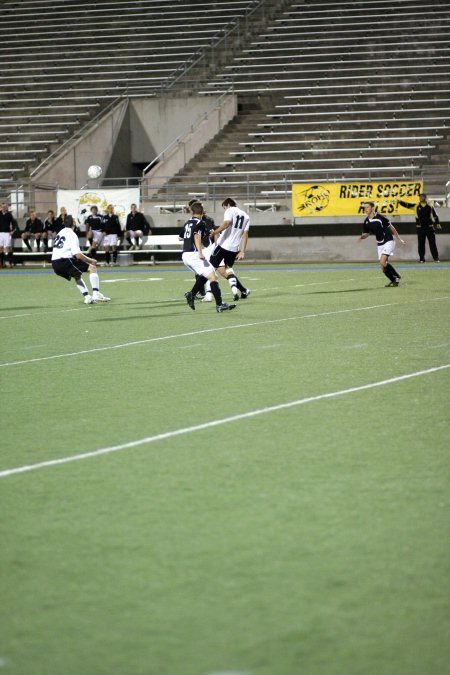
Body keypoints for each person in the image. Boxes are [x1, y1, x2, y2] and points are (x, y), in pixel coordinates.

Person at [180, 201, 236, 313]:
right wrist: (200, 252)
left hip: (185, 255)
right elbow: (196, 236)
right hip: (194, 255)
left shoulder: (187, 223)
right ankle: (219, 305)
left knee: (207, 275)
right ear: (202, 212)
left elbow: (180, 237)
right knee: (213, 277)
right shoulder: (201, 223)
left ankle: (191, 294)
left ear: (192, 211)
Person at [51, 219, 110, 304]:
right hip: (64, 260)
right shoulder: (71, 234)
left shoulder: (60, 232)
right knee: (92, 268)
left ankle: (87, 298)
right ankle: (96, 293)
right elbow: (77, 254)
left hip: (55, 263)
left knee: (77, 275)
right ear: (73, 223)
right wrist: (91, 260)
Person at [209, 198, 251, 300]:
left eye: (224, 207)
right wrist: (242, 251)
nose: (225, 210)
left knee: (209, 267)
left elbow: (226, 223)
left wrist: (215, 232)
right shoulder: (246, 216)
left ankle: (204, 294)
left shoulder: (230, 210)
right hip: (234, 248)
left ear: (228, 204)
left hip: (223, 245)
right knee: (227, 270)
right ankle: (242, 290)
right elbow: (245, 234)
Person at [359, 201, 406, 286]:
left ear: (372, 208)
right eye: (364, 207)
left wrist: (399, 239)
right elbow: (366, 233)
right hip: (380, 244)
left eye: (367, 207)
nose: (365, 209)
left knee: (382, 262)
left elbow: (391, 227)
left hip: (388, 240)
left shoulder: (380, 217)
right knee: (383, 267)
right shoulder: (366, 221)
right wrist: (362, 237)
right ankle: (394, 280)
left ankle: (396, 275)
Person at [416, 193, 441, 262]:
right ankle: (422, 259)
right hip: (420, 228)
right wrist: (400, 202)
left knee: (432, 243)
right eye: (420, 197)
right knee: (421, 244)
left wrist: (438, 223)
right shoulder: (416, 206)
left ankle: (436, 258)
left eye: (422, 197)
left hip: (429, 228)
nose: (420, 198)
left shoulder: (430, 205)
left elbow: (435, 215)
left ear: (425, 197)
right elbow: (407, 205)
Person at [0, 202, 16, 268]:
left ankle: (10, 263)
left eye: (5, 207)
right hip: (0, 233)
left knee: (8, 248)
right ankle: (1, 263)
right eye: (3, 207)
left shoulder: (9, 214)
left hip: (7, 233)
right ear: (1, 207)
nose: (4, 208)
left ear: (6, 207)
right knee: (0, 248)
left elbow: (14, 223)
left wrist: (12, 231)